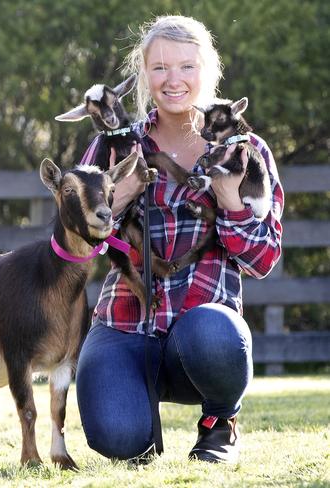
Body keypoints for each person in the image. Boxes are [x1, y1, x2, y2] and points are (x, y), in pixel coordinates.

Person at [75, 15, 283, 464]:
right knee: (117, 439)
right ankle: (134, 419)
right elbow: (75, 249)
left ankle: (219, 421)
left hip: (202, 328)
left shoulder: (245, 150)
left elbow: (264, 259)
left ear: (208, 73)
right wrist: (119, 200)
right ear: (144, 75)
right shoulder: (115, 147)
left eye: (187, 67)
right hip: (125, 322)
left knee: (213, 333)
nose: (173, 80)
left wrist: (231, 204)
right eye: (160, 68)